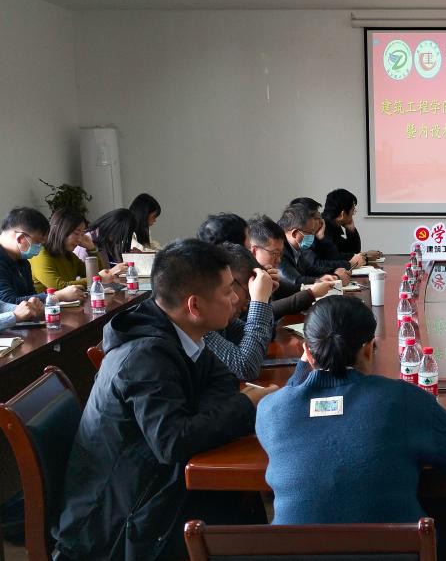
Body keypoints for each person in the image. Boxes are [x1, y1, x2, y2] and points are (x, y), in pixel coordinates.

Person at [53, 239, 278, 561]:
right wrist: (247, 404)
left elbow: (223, 380)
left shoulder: (180, 330)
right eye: (228, 290)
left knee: (243, 509)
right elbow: (173, 442)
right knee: (242, 526)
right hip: (119, 522)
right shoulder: (145, 356)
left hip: (154, 482)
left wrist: (211, 412)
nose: (235, 298)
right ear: (194, 306)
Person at [256, 295, 446, 525]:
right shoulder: (401, 399)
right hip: (394, 544)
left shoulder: (270, 410)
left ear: (306, 352)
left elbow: (296, 402)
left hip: (294, 545)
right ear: (368, 349)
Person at [0, 207, 85, 305]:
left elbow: (31, 297)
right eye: (38, 242)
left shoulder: (23, 261)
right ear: (20, 238)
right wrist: (57, 296)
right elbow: (5, 304)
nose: (40, 247)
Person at [206, 244, 276, 381]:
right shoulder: (200, 322)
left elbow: (260, 345)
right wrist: (259, 302)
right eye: (248, 295)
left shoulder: (224, 318)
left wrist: (265, 298)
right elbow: (246, 368)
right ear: (229, 281)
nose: (246, 306)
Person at [248, 216, 335, 311]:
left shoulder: (266, 272)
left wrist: (317, 282)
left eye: (280, 254)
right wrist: (311, 294)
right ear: (254, 251)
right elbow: (267, 310)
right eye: (274, 253)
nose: (279, 260)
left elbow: (285, 289)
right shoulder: (245, 276)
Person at [30, 208, 125, 292]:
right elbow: (58, 287)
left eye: (82, 234)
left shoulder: (68, 254)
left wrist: (91, 249)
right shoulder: (40, 254)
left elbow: (97, 272)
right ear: (61, 230)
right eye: (76, 233)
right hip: (47, 306)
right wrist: (98, 278)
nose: (80, 239)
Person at [278, 204, 349, 291]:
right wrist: (335, 278)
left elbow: (310, 269)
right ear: (295, 233)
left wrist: (335, 270)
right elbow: (295, 281)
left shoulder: (296, 248)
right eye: (311, 233)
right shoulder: (279, 251)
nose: (313, 236)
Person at [322, 189, 380, 262]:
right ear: (342, 214)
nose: (353, 214)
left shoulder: (332, 225)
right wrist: (365, 256)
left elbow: (353, 250)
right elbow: (334, 257)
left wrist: (351, 230)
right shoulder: (321, 228)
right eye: (353, 210)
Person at [73, 208, 138, 267]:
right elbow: (81, 275)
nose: (120, 240)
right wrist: (111, 272)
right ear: (112, 227)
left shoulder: (110, 241)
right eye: (121, 235)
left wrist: (136, 257)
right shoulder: (85, 242)